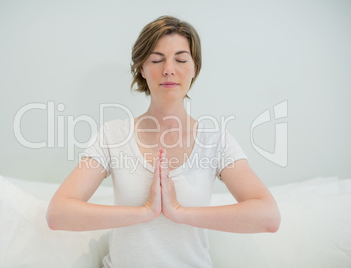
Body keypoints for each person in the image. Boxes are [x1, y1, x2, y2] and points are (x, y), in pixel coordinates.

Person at [46, 15, 281, 267]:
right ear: (142, 69)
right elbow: (59, 214)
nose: (169, 69)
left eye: (180, 59)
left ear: (194, 68)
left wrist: (179, 212)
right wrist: (145, 211)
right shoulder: (112, 136)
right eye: (157, 60)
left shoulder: (216, 141)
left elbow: (268, 217)